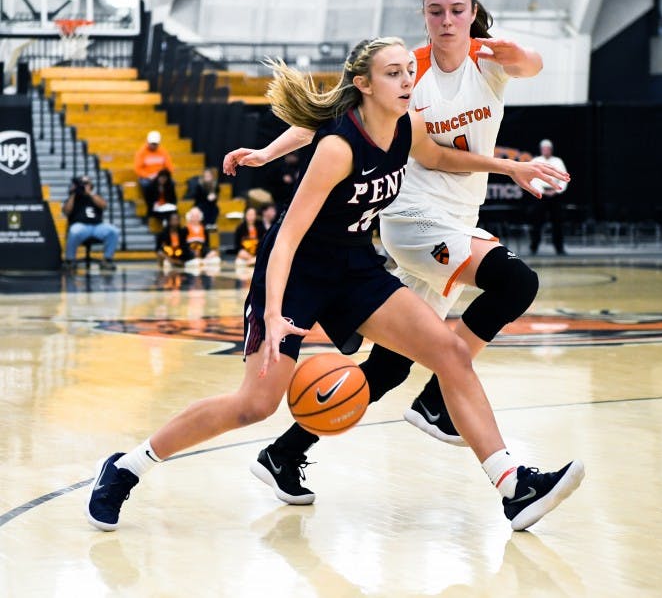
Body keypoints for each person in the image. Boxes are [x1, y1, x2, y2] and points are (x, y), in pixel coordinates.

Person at [86, 37, 582, 534]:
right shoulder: (338, 147)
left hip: (352, 265)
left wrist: (510, 166)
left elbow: (438, 157)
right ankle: (127, 467)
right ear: (363, 84)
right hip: (297, 272)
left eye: (409, 71)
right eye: (393, 73)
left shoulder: (408, 124)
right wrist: (274, 314)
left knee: (450, 354)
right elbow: (286, 239)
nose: (408, 80)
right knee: (254, 405)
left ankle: (513, 487)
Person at [224, 0, 560, 505]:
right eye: (436, 11)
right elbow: (329, 115)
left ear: (473, 13)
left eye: (457, 10)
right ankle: (440, 402)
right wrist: (267, 153)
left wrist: (522, 55)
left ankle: (284, 452)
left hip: (459, 217)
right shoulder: (407, 70)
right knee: (516, 283)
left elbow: (534, 64)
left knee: (389, 365)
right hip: (414, 216)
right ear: (424, 16)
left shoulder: (488, 60)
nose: (447, 20)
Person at [62, 175, 120, 271]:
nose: (84, 186)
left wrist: (89, 193)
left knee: (114, 231)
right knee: (74, 231)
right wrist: (73, 194)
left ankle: (107, 259)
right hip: (80, 226)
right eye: (82, 184)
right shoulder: (73, 198)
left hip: (97, 226)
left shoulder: (95, 196)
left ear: (91, 185)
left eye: (86, 184)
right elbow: (66, 211)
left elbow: (103, 205)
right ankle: (70, 260)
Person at [528, 138, 569, 255]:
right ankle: (534, 247)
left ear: (551, 150)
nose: (546, 151)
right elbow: (532, 178)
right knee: (537, 221)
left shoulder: (558, 161)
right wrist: (542, 191)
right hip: (540, 194)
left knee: (557, 222)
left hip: (555, 194)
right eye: (544, 149)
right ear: (541, 150)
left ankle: (559, 248)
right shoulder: (536, 161)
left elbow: (564, 177)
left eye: (548, 149)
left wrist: (557, 190)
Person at [134, 131, 175, 217]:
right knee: (146, 185)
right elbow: (138, 169)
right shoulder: (142, 153)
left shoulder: (163, 152)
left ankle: (168, 204)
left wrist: (162, 176)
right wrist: (148, 176)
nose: (153, 145)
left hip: (160, 176)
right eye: (152, 143)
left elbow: (169, 167)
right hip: (147, 177)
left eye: (155, 144)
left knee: (171, 183)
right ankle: (151, 206)